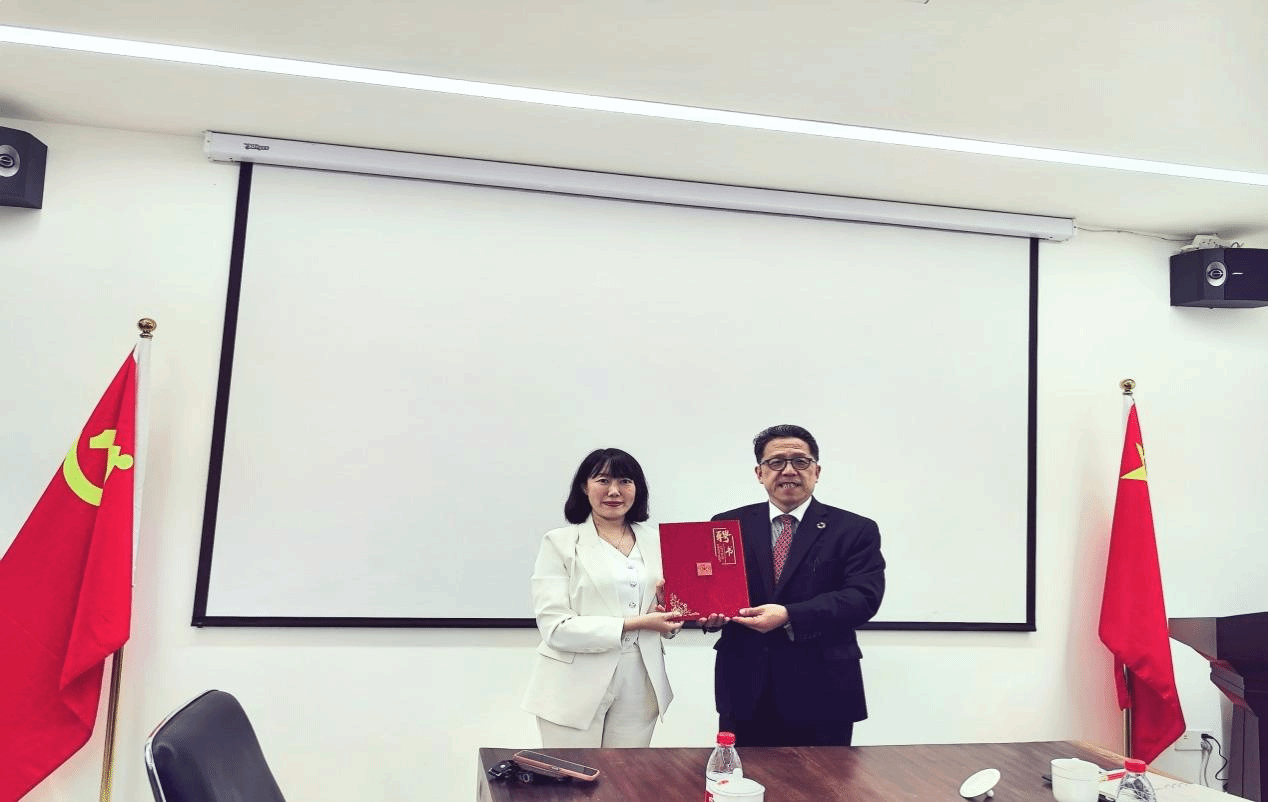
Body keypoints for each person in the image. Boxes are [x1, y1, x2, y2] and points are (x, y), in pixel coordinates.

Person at [703, 424, 885, 746]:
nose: (789, 470)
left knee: (824, 779)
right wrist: (703, 612)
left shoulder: (855, 529)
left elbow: (863, 598)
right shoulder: (726, 525)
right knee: (743, 776)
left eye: (800, 461)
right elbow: (713, 592)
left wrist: (789, 615)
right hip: (745, 687)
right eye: (776, 462)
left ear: (817, 471)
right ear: (759, 473)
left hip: (823, 691)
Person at [521, 447, 683, 747]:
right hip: (572, 683)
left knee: (627, 775)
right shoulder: (559, 543)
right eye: (603, 480)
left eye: (625, 481)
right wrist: (638, 622)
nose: (614, 491)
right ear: (585, 487)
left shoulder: (660, 541)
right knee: (574, 775)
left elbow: (668, 619)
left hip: (640, 680)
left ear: (637, 488)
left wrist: (674, 617)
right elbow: (555, 628)